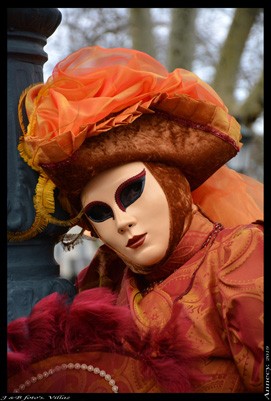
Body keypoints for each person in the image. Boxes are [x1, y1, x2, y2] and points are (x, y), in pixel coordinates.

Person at [7, 46, 263, 393]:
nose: (122, 222)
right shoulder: (105, 277)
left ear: (173, 181)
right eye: (100, 213)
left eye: (131, 192)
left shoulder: (239, 257)